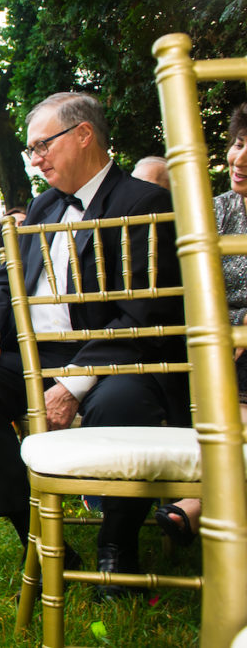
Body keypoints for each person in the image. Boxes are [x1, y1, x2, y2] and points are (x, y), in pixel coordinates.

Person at [0, 92, 189, 600]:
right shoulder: (41, 206)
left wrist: (74, 385)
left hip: (120, 358)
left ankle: (117, 545)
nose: (35, 159)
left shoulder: (144, 203)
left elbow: (145, 317)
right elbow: (9, 285)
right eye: (31, 150)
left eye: (42, 146)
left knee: (122, 404)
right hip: (40, 355)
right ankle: (35, 533)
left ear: (83, 134)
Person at [154, 104, 247, 545]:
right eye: (239, 143)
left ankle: (202, 502)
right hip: (213, 340)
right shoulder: (215, 212)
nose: (240, 158)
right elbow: (189, 286)